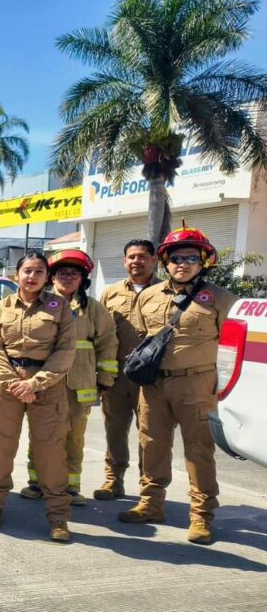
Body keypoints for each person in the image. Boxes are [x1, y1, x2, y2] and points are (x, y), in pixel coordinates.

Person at [119, 224, 237, 545]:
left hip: (196, 386)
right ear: (165, 262)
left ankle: (201, 515)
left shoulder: (221, 299)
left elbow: (232, 346)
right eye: (175, 258)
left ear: (203, 261)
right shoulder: (150, 297)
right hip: (154, 386)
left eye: (190, 257)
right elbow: (146, 336)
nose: (182, 264)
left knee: (199, 451)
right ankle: (151, 504)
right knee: (152, 445)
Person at [0, 251, 76, 543]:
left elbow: (65, 351)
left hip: (46, 387)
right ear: (16, 275)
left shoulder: (60, 308)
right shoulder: (0, 308)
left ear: (47, 277)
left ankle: (58, 517)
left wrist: (35, 383)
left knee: (50, 454)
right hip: (6, 386)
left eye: (38, 272)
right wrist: (14, 383)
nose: (32, 277)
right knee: (0, 450)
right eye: (27, 271)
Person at [19, 250, 117, 507]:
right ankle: (36, 482)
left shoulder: (92, 309)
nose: (67, 277)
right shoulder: (42, 304)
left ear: (83, 279)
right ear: (53, 277)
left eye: (74, 273)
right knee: (41, 433)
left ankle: (71, 487)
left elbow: (107, 343)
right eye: (62, 272)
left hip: (78, 384)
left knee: (74, 437)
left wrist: (105, 377)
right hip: (45, 381)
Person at [95, 239, 159, 501]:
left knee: (151, 434)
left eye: (143, 256)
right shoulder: (110, 294)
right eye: (131, 256)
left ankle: (149, 488)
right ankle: (113, 480)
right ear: (124, 261)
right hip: (118, 376)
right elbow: (99, 334)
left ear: (154, 260)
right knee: (115, 431)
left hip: (151, 378)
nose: (137, 261)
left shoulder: (167, 292)